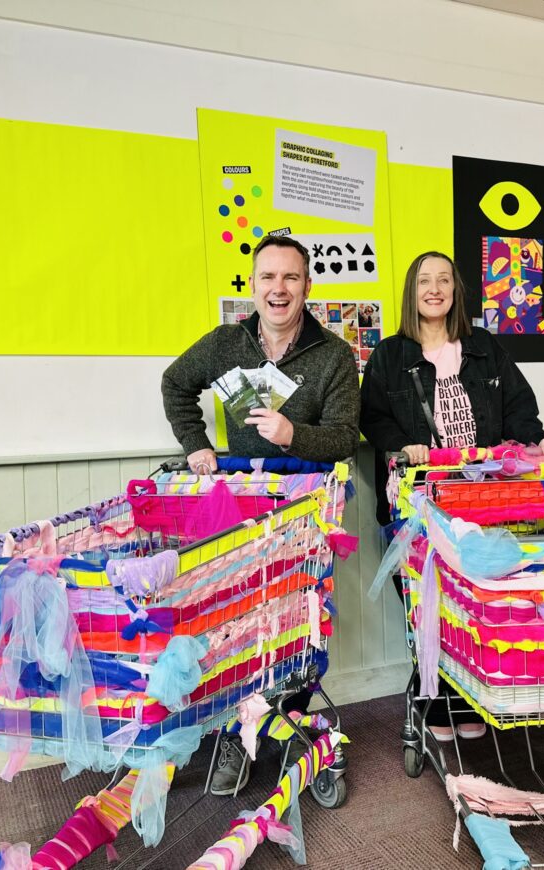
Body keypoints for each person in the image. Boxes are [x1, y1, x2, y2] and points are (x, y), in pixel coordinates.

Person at [162, 234, 359, 794]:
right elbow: (175, 382)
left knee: (297, 623)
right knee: (234, 619)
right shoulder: (226, 344)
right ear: (253, 287)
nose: (278, 289)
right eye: (267, 278)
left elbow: (346, 437)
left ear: (307, 287)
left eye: (290, 278)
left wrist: (294, 432)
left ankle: (289, 720)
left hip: (307, 509)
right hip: (237, 507)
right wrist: (195, 444)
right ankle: (234, 731)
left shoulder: (334, 355)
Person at [359, 250, 544, 742]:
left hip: (484, 498)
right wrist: (397, 445)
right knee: (426, 599)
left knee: (474, 601)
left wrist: (539, 443)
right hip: (418, 499)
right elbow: (372, 418)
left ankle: (472, 694)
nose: (434, 289)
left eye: (444, 280)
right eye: (424, 281)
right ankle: (436, 698)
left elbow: (519, 408)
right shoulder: (389, 354)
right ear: (411, 292)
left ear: (456, 290)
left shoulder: (486, 349)